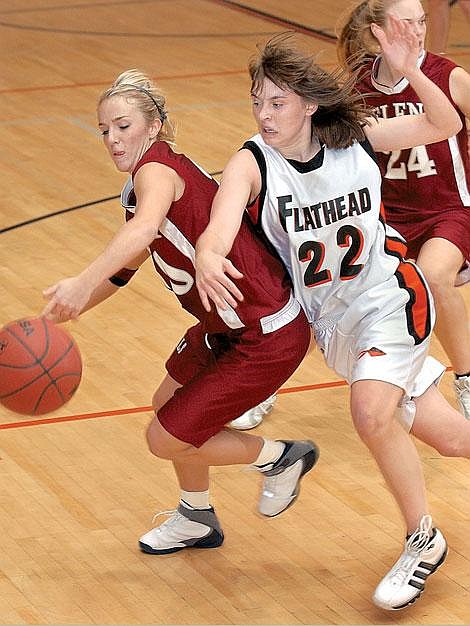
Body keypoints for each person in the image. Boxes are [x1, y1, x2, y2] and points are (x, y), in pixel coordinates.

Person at [195, 25, 469, 611]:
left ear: (309, 104)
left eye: (278, 103)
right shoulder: (252, 161)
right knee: (452, 439)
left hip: (392, 299)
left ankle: (423, 539)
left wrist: (411, 69)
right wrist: (209, 255)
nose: (264, 115)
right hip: (337, 329)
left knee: (370, 413)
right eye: (257, 101)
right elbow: (220, 223)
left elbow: (445, 123)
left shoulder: (357, 138)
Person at [41, 69, 319, 554]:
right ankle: (196, 516)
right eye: (104, 130)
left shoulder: (155, 171)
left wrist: (80, 280)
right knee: (167, 403)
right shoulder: (149, 178)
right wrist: (70, 307)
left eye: (122, 126)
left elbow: (144, 230)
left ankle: (279, 457)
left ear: (153, 127)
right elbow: (124, 270)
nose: (111, 139)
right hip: (223, 326)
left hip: (264, 333)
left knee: (164, 438)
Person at [337, 0, 470, 419]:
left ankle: (467, 380)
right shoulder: (358, 85)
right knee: (332, 288)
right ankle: (264, 384)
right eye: (406, 22)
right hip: (386, 215)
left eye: (422, 21)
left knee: (433, 276)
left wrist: (412, 70)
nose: (418, 30)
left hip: (448, 209)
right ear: (378, 30)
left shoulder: (449, 76)